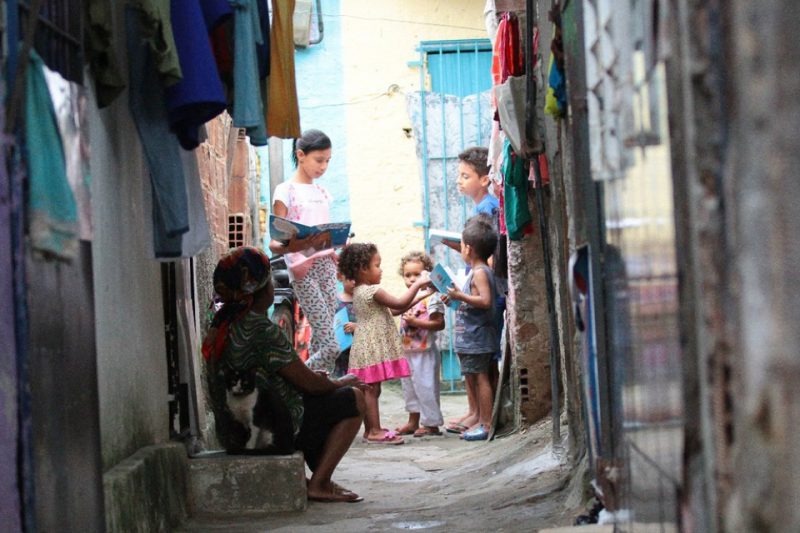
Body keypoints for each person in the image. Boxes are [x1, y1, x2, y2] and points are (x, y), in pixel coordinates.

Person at [202, 246, 370, 503]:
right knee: (354, 397)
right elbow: (311, 385)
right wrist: (341, 380)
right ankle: (320, 483)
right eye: (269, 279)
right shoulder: (260, 329)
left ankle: (313, 478)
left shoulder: (223, 324)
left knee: (326, 397)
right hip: (265, 434)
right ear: (258, 289)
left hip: (234, 434)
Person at [338, 242, 432, 445]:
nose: (381, 270)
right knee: (371, 390)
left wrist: (422, 295)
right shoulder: (372, 291)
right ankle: (374, 430)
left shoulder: (360, 291)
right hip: (371, 346)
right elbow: (398, 304)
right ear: (363, 269)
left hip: (366, 345)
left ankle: (370, 429)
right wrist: (419, 284)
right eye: (377, 265)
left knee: (371, 389)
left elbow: (394, 311)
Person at [269, 129, 340, 373]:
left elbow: (324, 233)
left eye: (328, 161)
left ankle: (319, 391)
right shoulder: (285, 191)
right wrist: (296, 245)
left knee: (321, 338)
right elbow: (275, 243)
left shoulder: (322, 192)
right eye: (319, 160)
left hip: (327, 264)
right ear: (301, 155)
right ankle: (296, 383)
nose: (324, 167)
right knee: (332, 346)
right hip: (303, 269)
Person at [443, 216, 499, 441]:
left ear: (468, 248)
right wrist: (456, 299)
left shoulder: (480, 272)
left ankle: (486, 424)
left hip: (478, 337)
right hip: (472, 337)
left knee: (481, 378)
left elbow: (485, 301)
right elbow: (474, 299)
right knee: (476, 377)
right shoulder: (476, 271)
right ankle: (480, 419)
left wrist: (460, 295)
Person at [395, 251, 446, 438]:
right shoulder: (408, 297)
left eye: (417, 274)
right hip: (408, 350)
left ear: (427, 274)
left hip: (425, 351)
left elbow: (439, 324)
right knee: (410, 388)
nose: (411, 279)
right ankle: (413, 421)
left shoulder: (433, 296)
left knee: (426, 387)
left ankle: (431, 424)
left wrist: (416, 323)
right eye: (408, 275)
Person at [333, 273, 356, 378]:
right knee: (341, 380)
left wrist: (357, 326)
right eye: (350, 278)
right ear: (340, 277)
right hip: (340, 352)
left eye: (357, 278)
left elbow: (371, 321)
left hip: (359, 352)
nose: (354, 282)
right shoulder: (334, 300)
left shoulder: (363, 301)